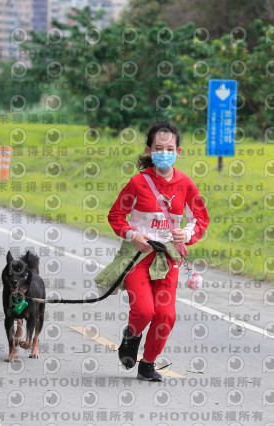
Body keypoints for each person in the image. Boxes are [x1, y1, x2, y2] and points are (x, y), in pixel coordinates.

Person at [95, 120, 209, 381]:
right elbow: (116, 215)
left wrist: (186, 234)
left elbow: (200, 219)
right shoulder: (138, 183)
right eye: (158, 148)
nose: (164, 153)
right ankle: (132, 334)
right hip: (138, 257)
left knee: (166, 315)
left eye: (170, 149)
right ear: (149, 150)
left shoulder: (186, 184)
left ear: (178, 151)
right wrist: (133, 235)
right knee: (145, 310)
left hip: (167, 258)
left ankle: (147, 364)